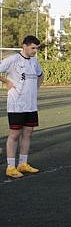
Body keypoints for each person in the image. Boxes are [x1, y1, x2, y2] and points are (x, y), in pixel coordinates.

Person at [1, 35, 44, 179]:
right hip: (16, 104)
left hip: (31, 105)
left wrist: (36, 89)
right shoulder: (13, 59)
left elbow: (40, 75)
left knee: (28, 133)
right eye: (33, 48)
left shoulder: (34, 61)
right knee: (14, 134)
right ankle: (10, 167)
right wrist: (6, 81)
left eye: (37, 48)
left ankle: (23, 164)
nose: (35, 51)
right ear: (24, 46)